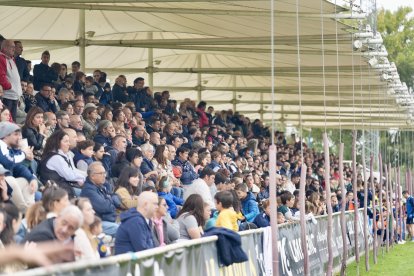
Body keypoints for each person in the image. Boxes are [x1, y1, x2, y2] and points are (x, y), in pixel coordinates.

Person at [39, 130, 85, 198]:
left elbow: (72, 172)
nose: (68, 144)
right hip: (57, 190)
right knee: (88, 195)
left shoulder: (61, 155)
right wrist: (84, 179)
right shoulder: (56, 158)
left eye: (68, 141)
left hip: (62, 187)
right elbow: (69, 176)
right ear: (57, 143)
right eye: (66, 141)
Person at [80, 162, 119, 237]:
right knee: (120, 229)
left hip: (110, 219)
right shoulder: (88, 190)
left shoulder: (102, 186)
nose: (104, 175)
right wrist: (111, 199)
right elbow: (104, 207)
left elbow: (117, 198)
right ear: (92, 176)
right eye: (101, 173)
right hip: (97, 223)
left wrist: (109, 199)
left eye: (104, 173)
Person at [0, 39, 22, 121]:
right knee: (7, 120)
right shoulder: (1, 58)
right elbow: (1, 76)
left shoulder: (11, 59)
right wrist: (9, 86)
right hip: (7, 95)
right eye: (12, 47)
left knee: (13, 120)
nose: (14, 49)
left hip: (14, 95)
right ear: (5, 47)